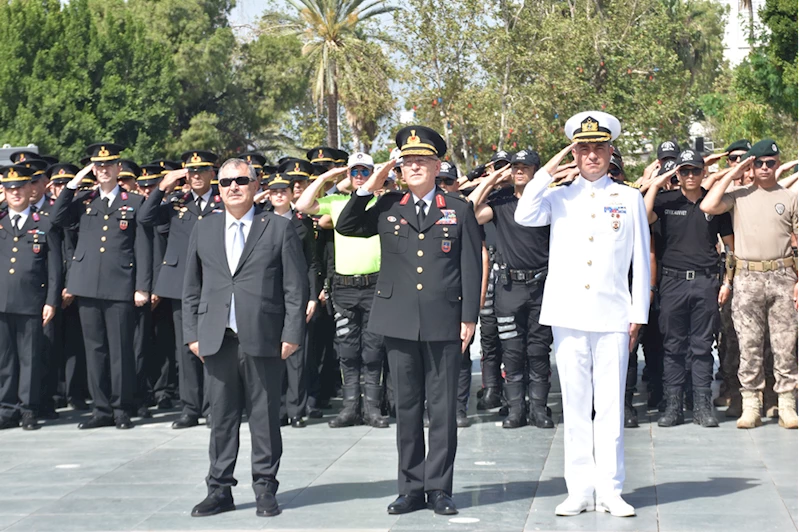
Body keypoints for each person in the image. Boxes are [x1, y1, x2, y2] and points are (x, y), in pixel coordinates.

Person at [336, 125, 481, 516]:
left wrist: (469, 317)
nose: (414, 167)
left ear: (437, 166)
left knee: (443, 409)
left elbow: (470, 266)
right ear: (399, 168)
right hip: (398, 320)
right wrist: (373, 182)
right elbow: (347, 225)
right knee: (407, 406)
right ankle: (410, 488)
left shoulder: (459, 209)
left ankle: (440, 488)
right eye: (407, 161)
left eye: (422, 161)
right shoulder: (387, 205)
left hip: (444, 320)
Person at [515, 111, 650, 517]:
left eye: (599, 148)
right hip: (569, 312)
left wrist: (638, 312)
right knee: (575, 406)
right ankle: (578, 490)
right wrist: (550, 169)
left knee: (610, 406)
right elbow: (524, 215)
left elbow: (641, 259)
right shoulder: (558, 196)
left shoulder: (629, 198)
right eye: (583, 149)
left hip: (612, 313)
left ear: (611, 152)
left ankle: (610, 489)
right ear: (574, 153)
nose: (592, 155)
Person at [183, 158, 308, 518]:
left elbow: (295, 287)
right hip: (217, 337)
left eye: (241, 180)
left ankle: (265, 488)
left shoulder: (278, 228)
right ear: (218, 189)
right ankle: (219, 489)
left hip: (264, 336)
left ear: (255, 186)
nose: (233, 187)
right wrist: (192, 334)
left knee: (264, 419)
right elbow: (191, 287)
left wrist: (292, 332)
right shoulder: (204, 228)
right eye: (226, 182)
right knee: (221, 419)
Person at [52, 143, 152, 430]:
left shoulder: (134, 202)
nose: (103, 170)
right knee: (94, 350)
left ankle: (121, 408)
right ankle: (101, 409)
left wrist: (142, 286)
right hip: (87, 285)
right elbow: (56, 218)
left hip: (120, 284)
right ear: (93, 170)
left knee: (120, 351)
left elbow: (142, 247)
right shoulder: (84, 200)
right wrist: (73, 184)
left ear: (118, 168)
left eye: (108, 165)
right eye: (98, 166)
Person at [700, 139, 798, 430]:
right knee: (749, 345)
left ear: (777, 164)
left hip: (782, 275)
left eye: (770, 163)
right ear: (751, 166)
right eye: (759, 163)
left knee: (785, 345)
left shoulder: (790, 197)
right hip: (747, 277)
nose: (765, 168)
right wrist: (735, 171)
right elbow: (708, 204)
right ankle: (751, 405)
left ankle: (787, 405)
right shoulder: (738, 195)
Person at [295, 154, 389, 429]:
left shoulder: (382, 203)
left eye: (364, 171)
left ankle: (372, 409)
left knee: (373, 351)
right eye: (354, 172)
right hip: (344, 288)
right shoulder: (336, 202)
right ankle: (350, 409)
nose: (359, 176)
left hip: (375, 286)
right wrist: (327, 177)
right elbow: (302, 205)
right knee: (347, 351)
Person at [644, 149, 733, 427]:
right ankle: (673, 406)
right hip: (673, 282)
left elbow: (730, 246)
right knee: (673, 347)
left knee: (702, 347)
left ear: (703, 172)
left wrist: (727, 281)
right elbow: (642, 216)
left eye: (695, 170)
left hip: (706, 281)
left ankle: (702, 406)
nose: (691, 175)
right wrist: (657, 184)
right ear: (677, 174)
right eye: (684, 171)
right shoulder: (665, 201)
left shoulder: (713, 202)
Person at [470, 149, 555, 429]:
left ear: (535, 171)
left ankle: (539, 409)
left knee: (538, 352)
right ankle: (516, 409)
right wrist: (493, 179)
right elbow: (470, 212)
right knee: (512, 352)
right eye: (515, 167)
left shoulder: (548, 200)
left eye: (525, 167)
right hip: (509, 288)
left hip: (541, 286)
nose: (518, 171)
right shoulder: (501, 200)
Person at [138, 150, 221, 428]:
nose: (196, 176)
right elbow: (144, 217)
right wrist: (163, 186)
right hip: (181, 285)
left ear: (212, 173)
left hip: (215, 283)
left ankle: (213, 407)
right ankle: (190, 408)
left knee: (213, 346)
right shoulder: (176, 202)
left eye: (202, 171)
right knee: (185, 348)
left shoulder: (221, 202)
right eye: (191, 172)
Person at [0, 165, 62, 430]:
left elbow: (54, 268)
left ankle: (28, 409)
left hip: (31, 302)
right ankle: (7, 408)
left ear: (29, 189)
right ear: (4, 192)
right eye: (10, 189)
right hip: (2, 301)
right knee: (4, 359)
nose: (15, 193)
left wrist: (51, 301)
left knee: (30, 359)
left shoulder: (43, 223)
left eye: (20, 188)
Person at [263, 172, 321, 428]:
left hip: (297, 296)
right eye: (274, 191)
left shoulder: (302, 223)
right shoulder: (260, 221)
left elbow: (312, 263)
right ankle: (277, 409)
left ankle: (296, 410)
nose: (279, 195)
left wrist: (312, 296)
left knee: (297, 354)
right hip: (269, 295)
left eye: (283, 191)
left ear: (290, 193)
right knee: (272, 354)